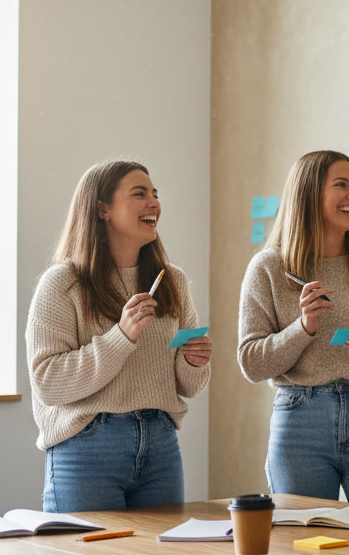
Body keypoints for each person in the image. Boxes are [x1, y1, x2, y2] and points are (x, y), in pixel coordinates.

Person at [238, 150, 349, 511]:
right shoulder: (269, 268)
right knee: (302, 553)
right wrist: (303, 327)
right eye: (341, 185)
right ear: (308, 194)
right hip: (299, 422)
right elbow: (251, 363)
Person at [27, 160, 211, 513]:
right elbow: (47, 383)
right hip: (87, 447)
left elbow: (189, 385)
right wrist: (121, 336)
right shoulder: (62, 284)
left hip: (160, 443)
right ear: (102, 209)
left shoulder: (173, 281)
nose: (154, 203)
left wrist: (193, 361)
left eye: (155, 194)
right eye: (139, 194)